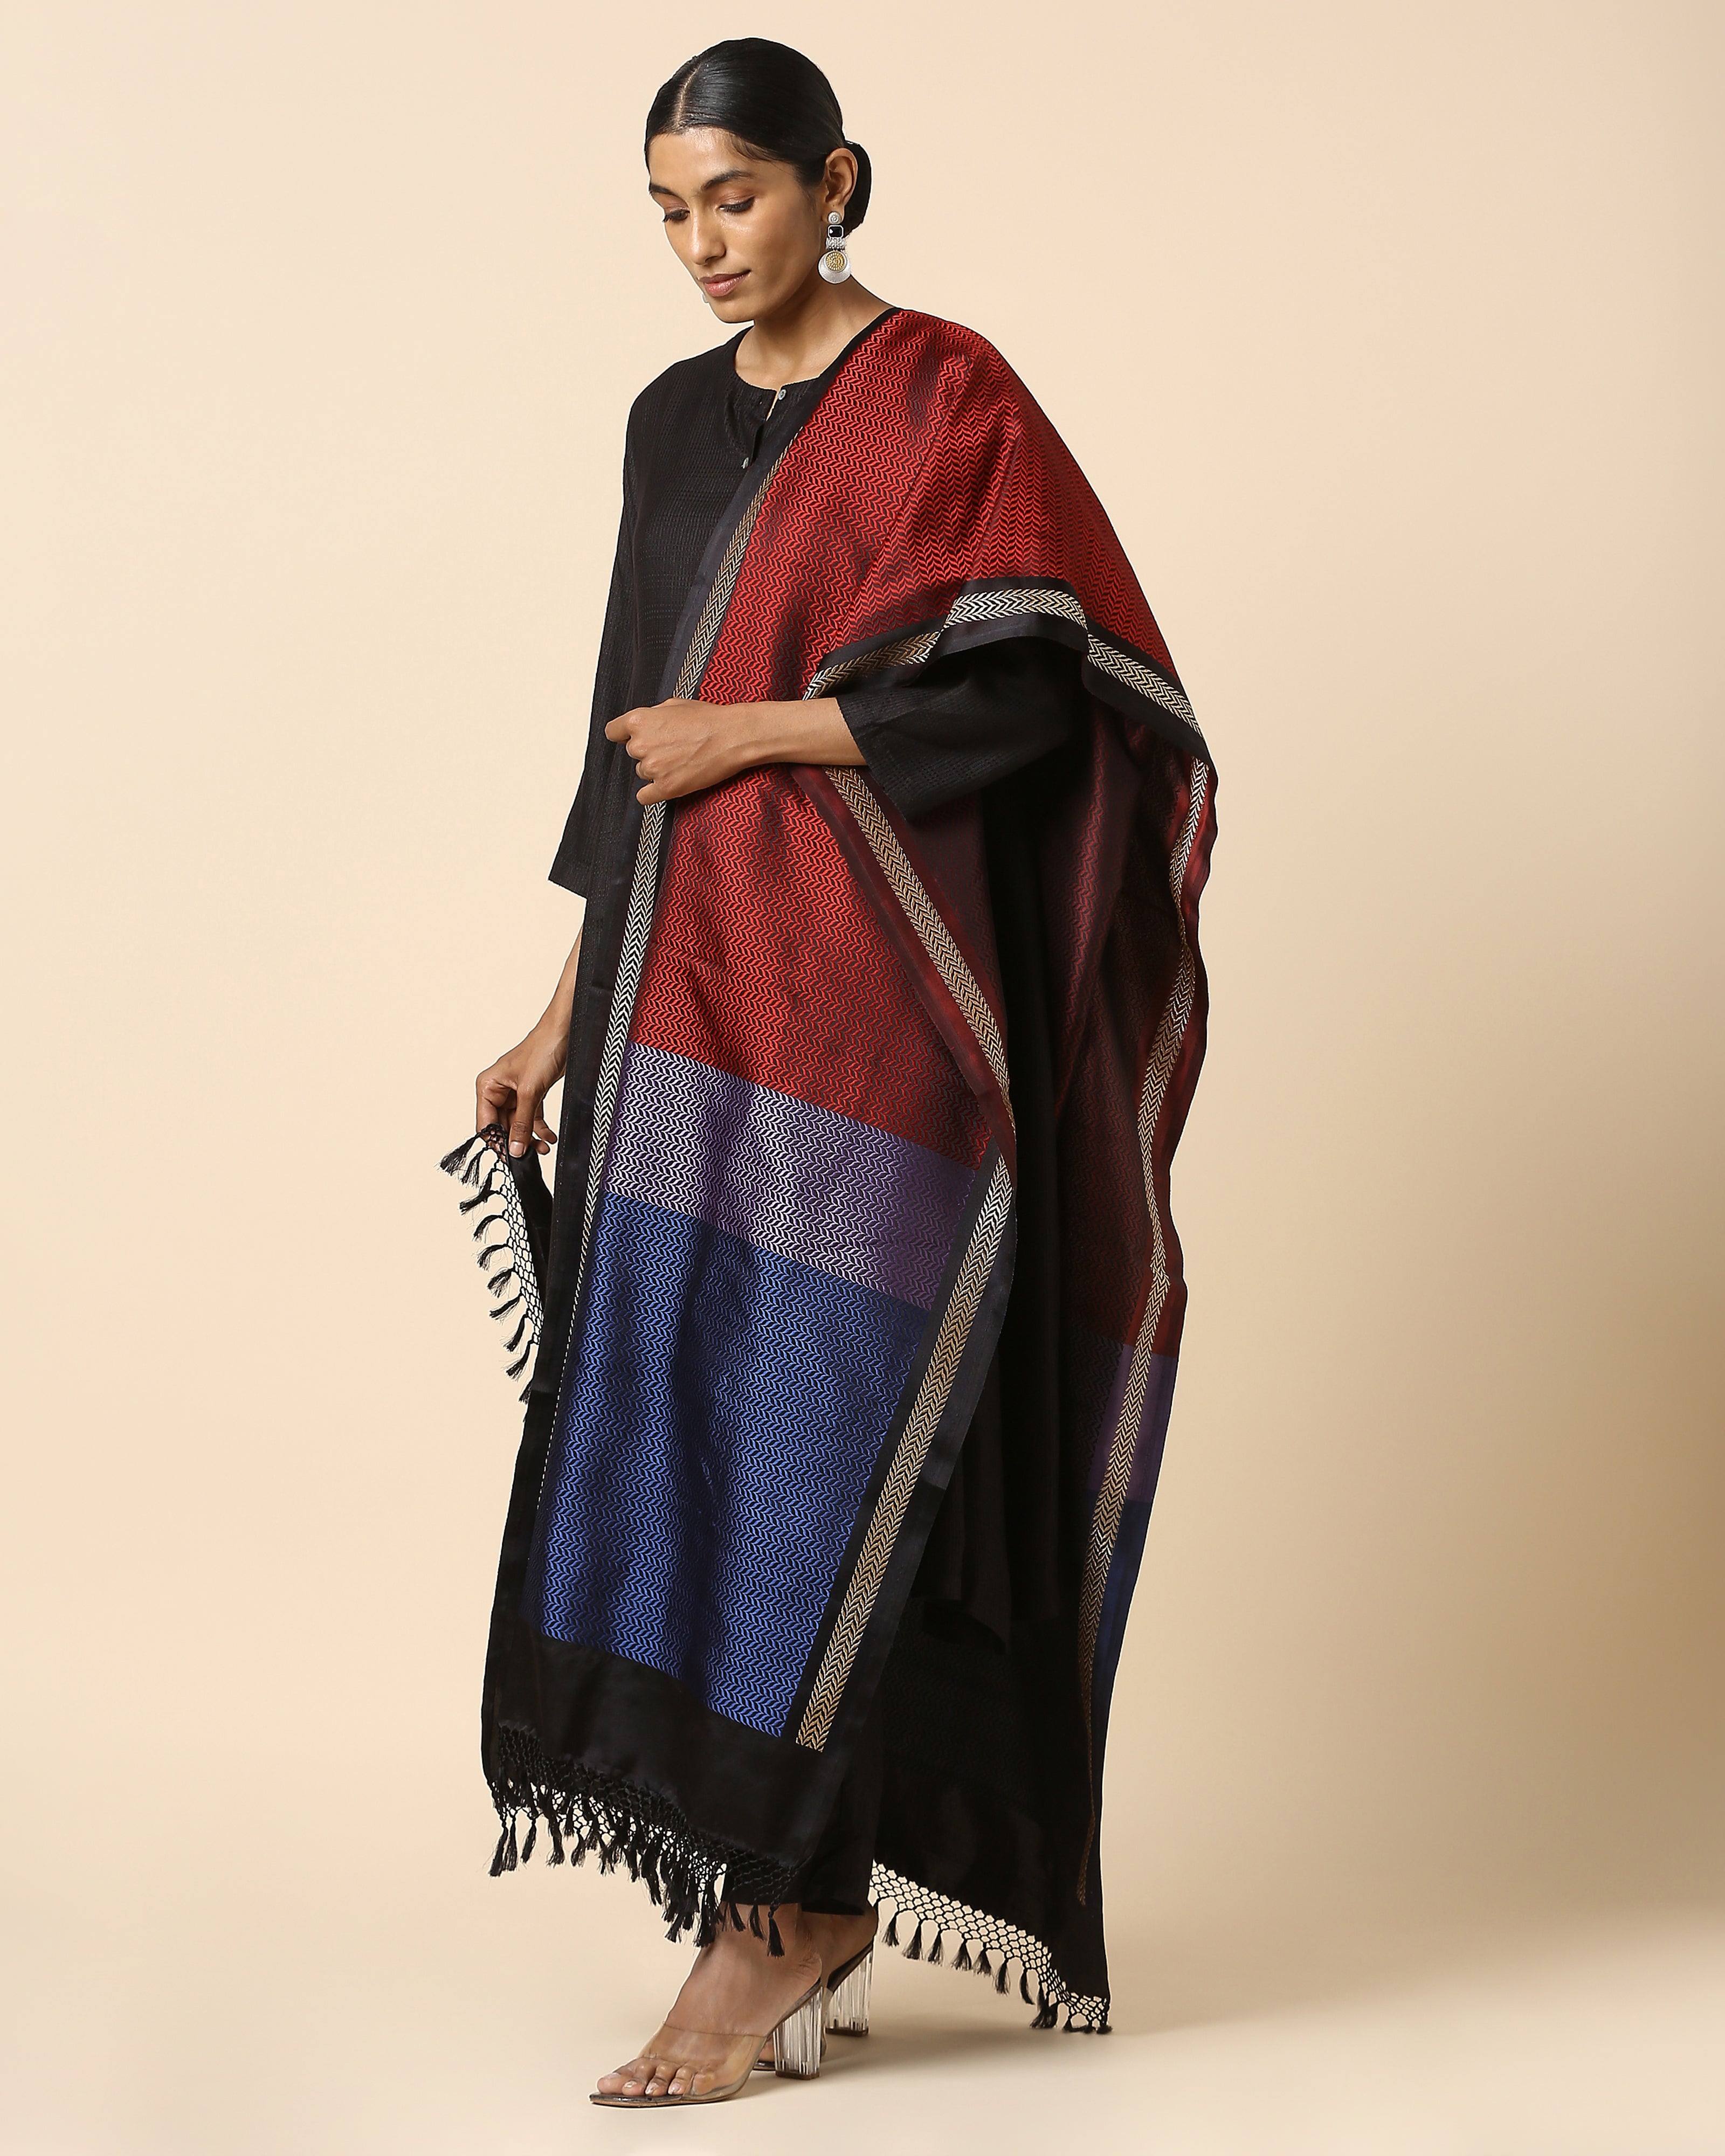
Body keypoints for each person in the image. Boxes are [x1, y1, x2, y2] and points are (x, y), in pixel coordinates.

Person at [450, 36, 1216, 2109]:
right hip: (689, 1003)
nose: (706, 245)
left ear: (835, 181)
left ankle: (781, 1919)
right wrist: (560, 1013)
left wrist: (763, 735)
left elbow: (1035, 700)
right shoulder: (666, 423)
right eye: (671, 211)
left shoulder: (952, 398)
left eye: (739, 198)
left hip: (881, 1006)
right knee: (702, 1411)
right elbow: (633, 738)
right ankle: (786, 1879)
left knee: (844, 1419)